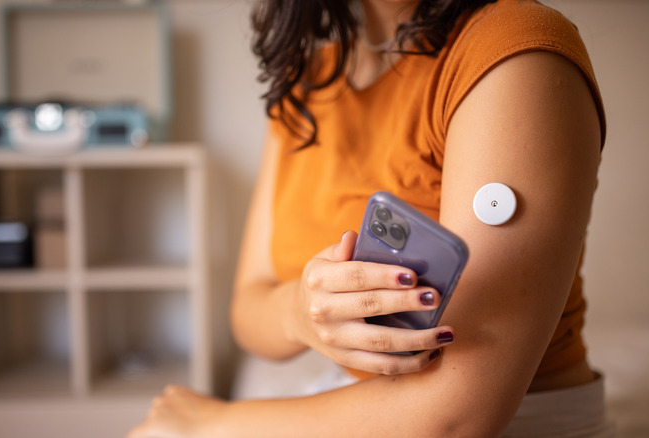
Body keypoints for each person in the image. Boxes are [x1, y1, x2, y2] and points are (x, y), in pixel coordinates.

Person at [128, 0, 614, 436]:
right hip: (360, 404)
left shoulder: (512, 52)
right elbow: (248, 307)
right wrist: (301, 312)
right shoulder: (305, 82)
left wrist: (210, 424)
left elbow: (458, 416)